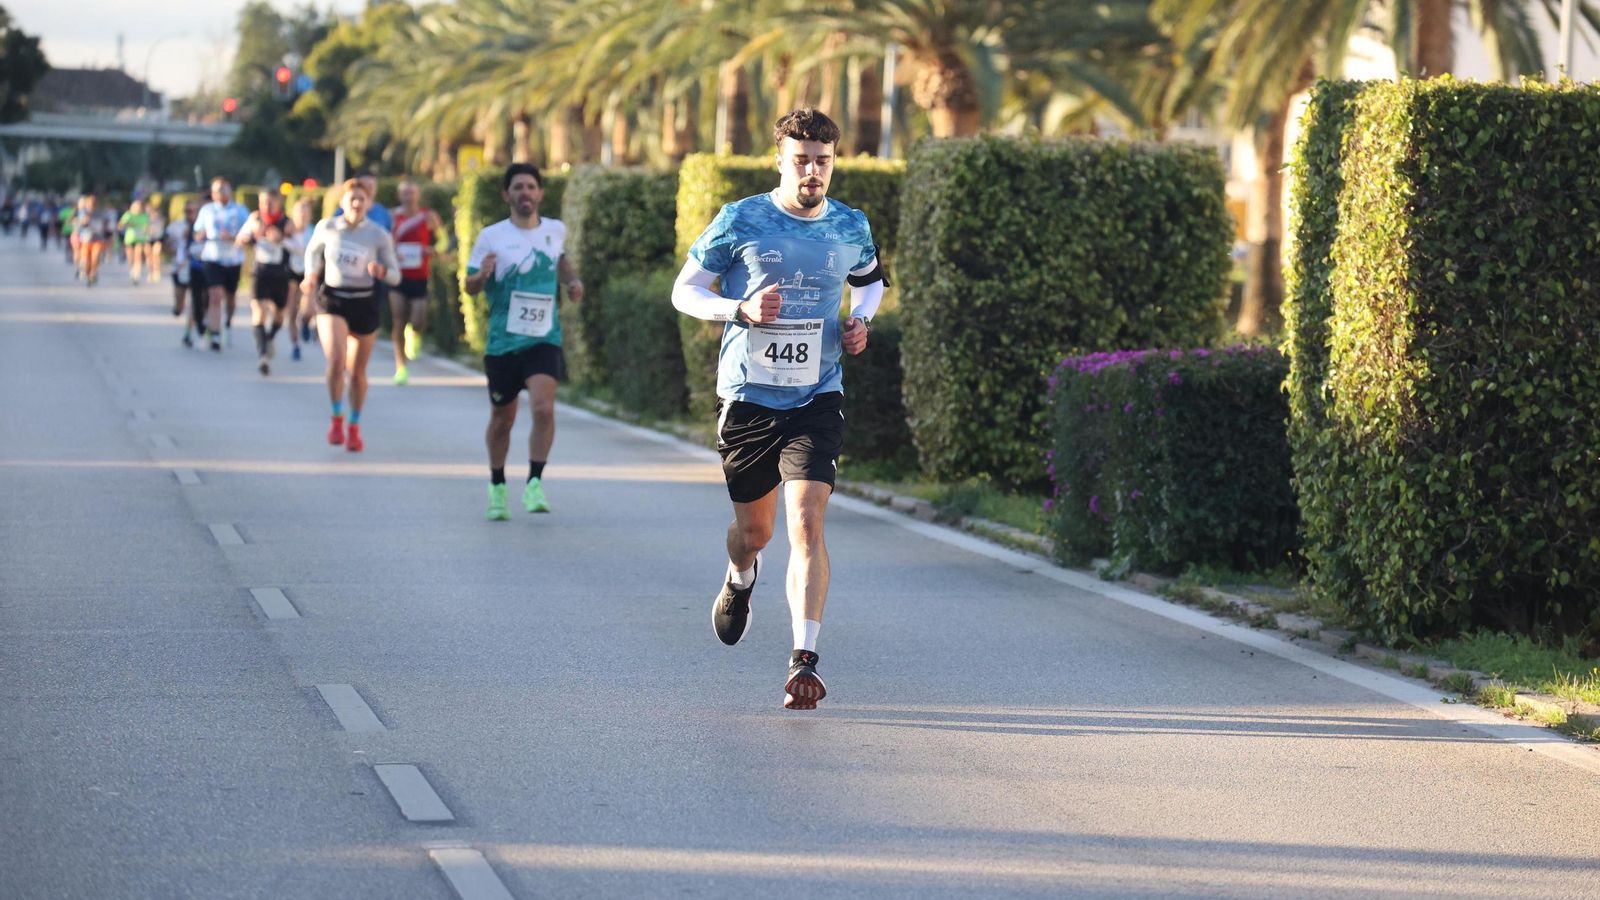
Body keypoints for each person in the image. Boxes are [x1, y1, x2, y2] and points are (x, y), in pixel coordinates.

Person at [670, 109, 885, 711]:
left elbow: (871, 281)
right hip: (749, 398)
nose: (812, 170)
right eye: (801, 160)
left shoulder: (850, 224)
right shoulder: (742, 218)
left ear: (833, 160)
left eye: (822, 160)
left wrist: (861, 320)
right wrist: (738, 308)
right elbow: (685, 290)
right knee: (756, 532)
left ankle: (803, 660)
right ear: (781, 161)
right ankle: (740, 576)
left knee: (806, 523)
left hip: (818, 394)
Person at [463, 163, 584, 521]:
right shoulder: (491, 236)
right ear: (506, 195)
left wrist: (573, 282)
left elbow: (561, 262)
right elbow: (469, 285)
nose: (525, 193)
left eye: (531, 186)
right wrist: (480, 277)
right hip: (502, 342)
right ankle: (497, 485)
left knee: (544, 409)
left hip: (544, 338)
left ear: (540, 193)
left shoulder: (555, 230)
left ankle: (534, 481)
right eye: (518, 187)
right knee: (503, 418)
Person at [301, 178, 401, 452]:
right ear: (342, 202)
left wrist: (382, 272)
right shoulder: (328, 227)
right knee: (336, 361)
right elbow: (312, 253)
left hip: (364, 302)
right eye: (351, 199)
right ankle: (336, 418)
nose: (356, 203)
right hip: (333, 299)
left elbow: (395, 275)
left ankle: (354, 426)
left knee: (357, 373)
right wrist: (310, 276)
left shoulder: (379, 234)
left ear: (369, 203)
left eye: (362, 199)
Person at [388, 178, 446, 385]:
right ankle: (400, 366)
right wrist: (392, 251)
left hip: (420, 275)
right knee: (398, 319)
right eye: (405, 193)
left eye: (411, 193)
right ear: (399, 196)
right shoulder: (392, 216)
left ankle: (415, 334)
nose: (408, 197)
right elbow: (383, 241)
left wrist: (434, 250)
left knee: (419, 319)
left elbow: (443, 240)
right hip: (397, 276)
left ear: (417, 195)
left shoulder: (428, 216)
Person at [236, 190, 295, 375]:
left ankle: (269, 338)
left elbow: (299, 244)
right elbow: (239, 240)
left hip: (280, 275)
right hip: (259, 273)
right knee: (259, 311)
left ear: (279, 203)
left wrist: (281, 239)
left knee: (279, 315)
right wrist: (248, 237)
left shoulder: (287, 223)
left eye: (270, 202)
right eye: (263, 202)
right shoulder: (255, 219)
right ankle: (262, 355)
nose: (266, 207)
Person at [193, 177, 251, 351]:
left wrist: (234, 237)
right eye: (217, 190)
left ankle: (227, 323)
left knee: (230, 297)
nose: (220, 194)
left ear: (230, 191)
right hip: (212, 257)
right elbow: (198, 231)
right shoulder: (207, 210)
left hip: (233, 259)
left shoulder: (240, 210)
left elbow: (248, 234)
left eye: (224, 190)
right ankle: (215, 333)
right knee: (215, 295)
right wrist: (200, 235)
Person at [166, 199, 208, 347]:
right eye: (188, 211)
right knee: (180, 302)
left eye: (194, 211)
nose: (192, 214)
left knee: (196, 302)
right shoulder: (178, 226)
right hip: (181, 267)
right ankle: (178, 308)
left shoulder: (205, 226)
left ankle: (188, 333)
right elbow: (177, 247)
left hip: (198, 267)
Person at [284, 197, 316, 362]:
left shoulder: (314, 231)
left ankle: (305, 320)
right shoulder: (287, 231)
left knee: (309, 307)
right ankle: (295, 344)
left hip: (308, 273)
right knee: (291, 311)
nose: (302, 214)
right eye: (299, 211)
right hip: (290, 272)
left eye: (305, 211)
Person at [119, 199, 152, 285]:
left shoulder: (144, 216)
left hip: (140, 239)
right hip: (129, 239)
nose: (137, 208)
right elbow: (120, 225)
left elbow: (148, 227)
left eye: (139, 206)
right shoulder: (128, 215)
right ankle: (132, 268)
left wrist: (147, 230)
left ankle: (137, 274)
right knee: (130, 257)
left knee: (138, 255)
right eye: (136, 206)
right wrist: (128, 224)